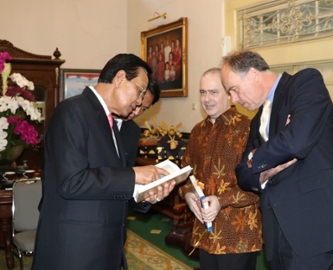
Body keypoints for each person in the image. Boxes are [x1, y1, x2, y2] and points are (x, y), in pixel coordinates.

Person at [31, 53, 175, 270]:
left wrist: (146, 193)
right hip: (74, 247)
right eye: (140, 90)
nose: (139, 101)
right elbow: (72, 181)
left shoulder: (115, 122)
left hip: (106, 244)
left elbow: (114, 182)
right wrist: (135, 174)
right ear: (119, 78)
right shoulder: (73, 111)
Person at [220, 51, 333, 270]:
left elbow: (297, 141)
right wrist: (265, 171)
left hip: (312, 226)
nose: (233, 100)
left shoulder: (304, 83)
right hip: (276, 232)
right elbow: (242, 173)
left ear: (253, 74)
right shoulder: (257, 120)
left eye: (234, 90)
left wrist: (256, 155)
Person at [179, 68, 262, 270]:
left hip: (237, 234)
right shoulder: (198, 131)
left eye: (213, 92)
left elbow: (259, 183)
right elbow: (185, 174)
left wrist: (221, 201)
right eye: (202, 92)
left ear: (229, 95)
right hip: (205, 232)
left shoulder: (247, 129)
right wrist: (188, 196)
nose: (207, 99)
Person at [119, 77, 160, 167]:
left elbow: (129, 169)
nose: (136, 112)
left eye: (143, 108)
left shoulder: (133, 131)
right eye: (136, 104)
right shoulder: (96, 121)